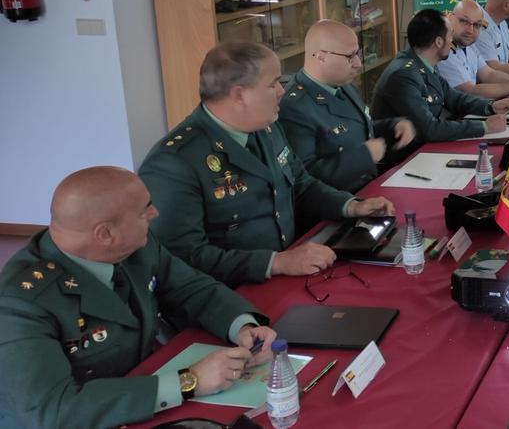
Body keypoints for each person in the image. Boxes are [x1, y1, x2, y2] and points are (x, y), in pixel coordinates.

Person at [0, 167, 279, 429]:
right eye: (144, 210)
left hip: (143, 393)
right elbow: (53, 410)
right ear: (105, 233)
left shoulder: (134, 247)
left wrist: (243, 327)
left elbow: (192, 288)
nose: (154, 213)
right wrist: (188, 382)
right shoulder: (20, 303)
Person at [140, 42, 396, 287]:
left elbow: (302, 185)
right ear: (239, 94)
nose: (282, 90)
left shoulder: (266, 128)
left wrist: (350, 206)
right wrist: (274, 262)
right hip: (234, 293)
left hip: (290, 272)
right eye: (273, 83)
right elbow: (184, 257)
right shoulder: (175, 162)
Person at [278, 20, 416, 193]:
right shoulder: (294, 106)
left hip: (370, 187)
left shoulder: (343, 84)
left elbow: (356, 128)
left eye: (357, 53)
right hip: (338, 203)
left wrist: (393, 126)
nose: (358, 63)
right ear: (321, 56)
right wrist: (364, 156)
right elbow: (305, 177)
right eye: (350, 56)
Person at [373, 9, 509, 148]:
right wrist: (485, 126)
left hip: (424, 150)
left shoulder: (424, 62)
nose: (452, 42)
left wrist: (490, 106)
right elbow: (430, 128)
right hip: (404, 160)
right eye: (450, 36)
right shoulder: (404, 75)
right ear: (438, 42)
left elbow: (454, 98)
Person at [440, 0, 509, 99]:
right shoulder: (443, 51)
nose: (470, 30)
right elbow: (470, 91)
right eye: (464, 21)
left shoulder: (469, 45)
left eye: (477, 25)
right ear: (450, 18)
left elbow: (489, 74)